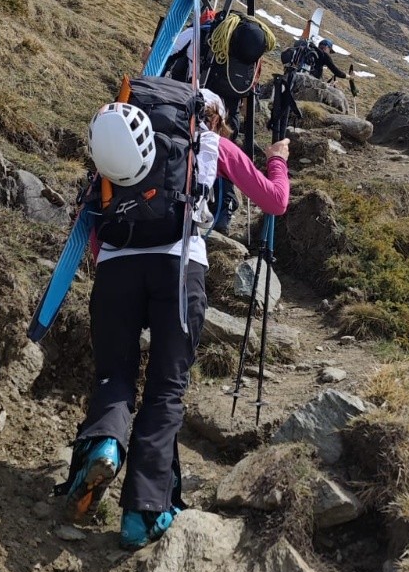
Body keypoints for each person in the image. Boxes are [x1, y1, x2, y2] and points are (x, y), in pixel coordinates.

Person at [60, 87, 290, 548]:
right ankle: (141, 514)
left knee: (113, 375)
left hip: (115, 271)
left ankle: (105, 444)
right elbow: (274, 201)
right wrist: (278, 159)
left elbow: (91, 221)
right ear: (213, 118)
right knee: (166, 388)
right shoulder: (211, 145)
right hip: (180, 267)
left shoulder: (125, 138)